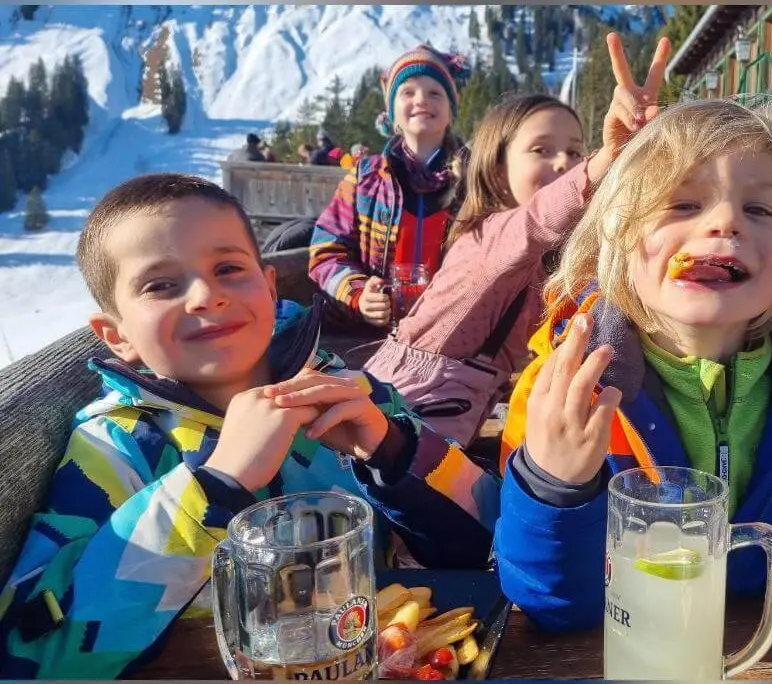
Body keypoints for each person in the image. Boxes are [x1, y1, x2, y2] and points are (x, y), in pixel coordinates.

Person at [0, 174, 498, 677]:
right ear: (117, 335)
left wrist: (392, 451)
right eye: (161, 285)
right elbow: (34, 658)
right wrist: (215, 486)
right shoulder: (118, 450)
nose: (205, 296)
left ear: (268, 284)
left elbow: (494, 540)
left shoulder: (348, 393)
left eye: (228, 268)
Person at [494, 98, 772, 642]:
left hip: (771, 648)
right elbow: (553, 605)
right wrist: (554, 486)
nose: (726, 222)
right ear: (617, 237)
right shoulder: (565, 388)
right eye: (682, 205)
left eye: (759, 210)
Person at [364, 36, 663, 452]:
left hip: (451, 414)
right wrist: (606, 157)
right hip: (404, 403)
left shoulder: (541, 255)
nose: (564, 162)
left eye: (576, 151)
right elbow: (538, 219)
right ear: (498, 167)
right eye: (542, 149)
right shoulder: (490, 235)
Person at [308, 45, 468, 328]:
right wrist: (358, 294)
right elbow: (325, 249)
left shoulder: (474, 180)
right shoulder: (365, 178)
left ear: (450, 112)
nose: (422, 100)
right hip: (373, 338)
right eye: (408, 92)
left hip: (450, 334)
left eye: (435, 92)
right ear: (391, 113)